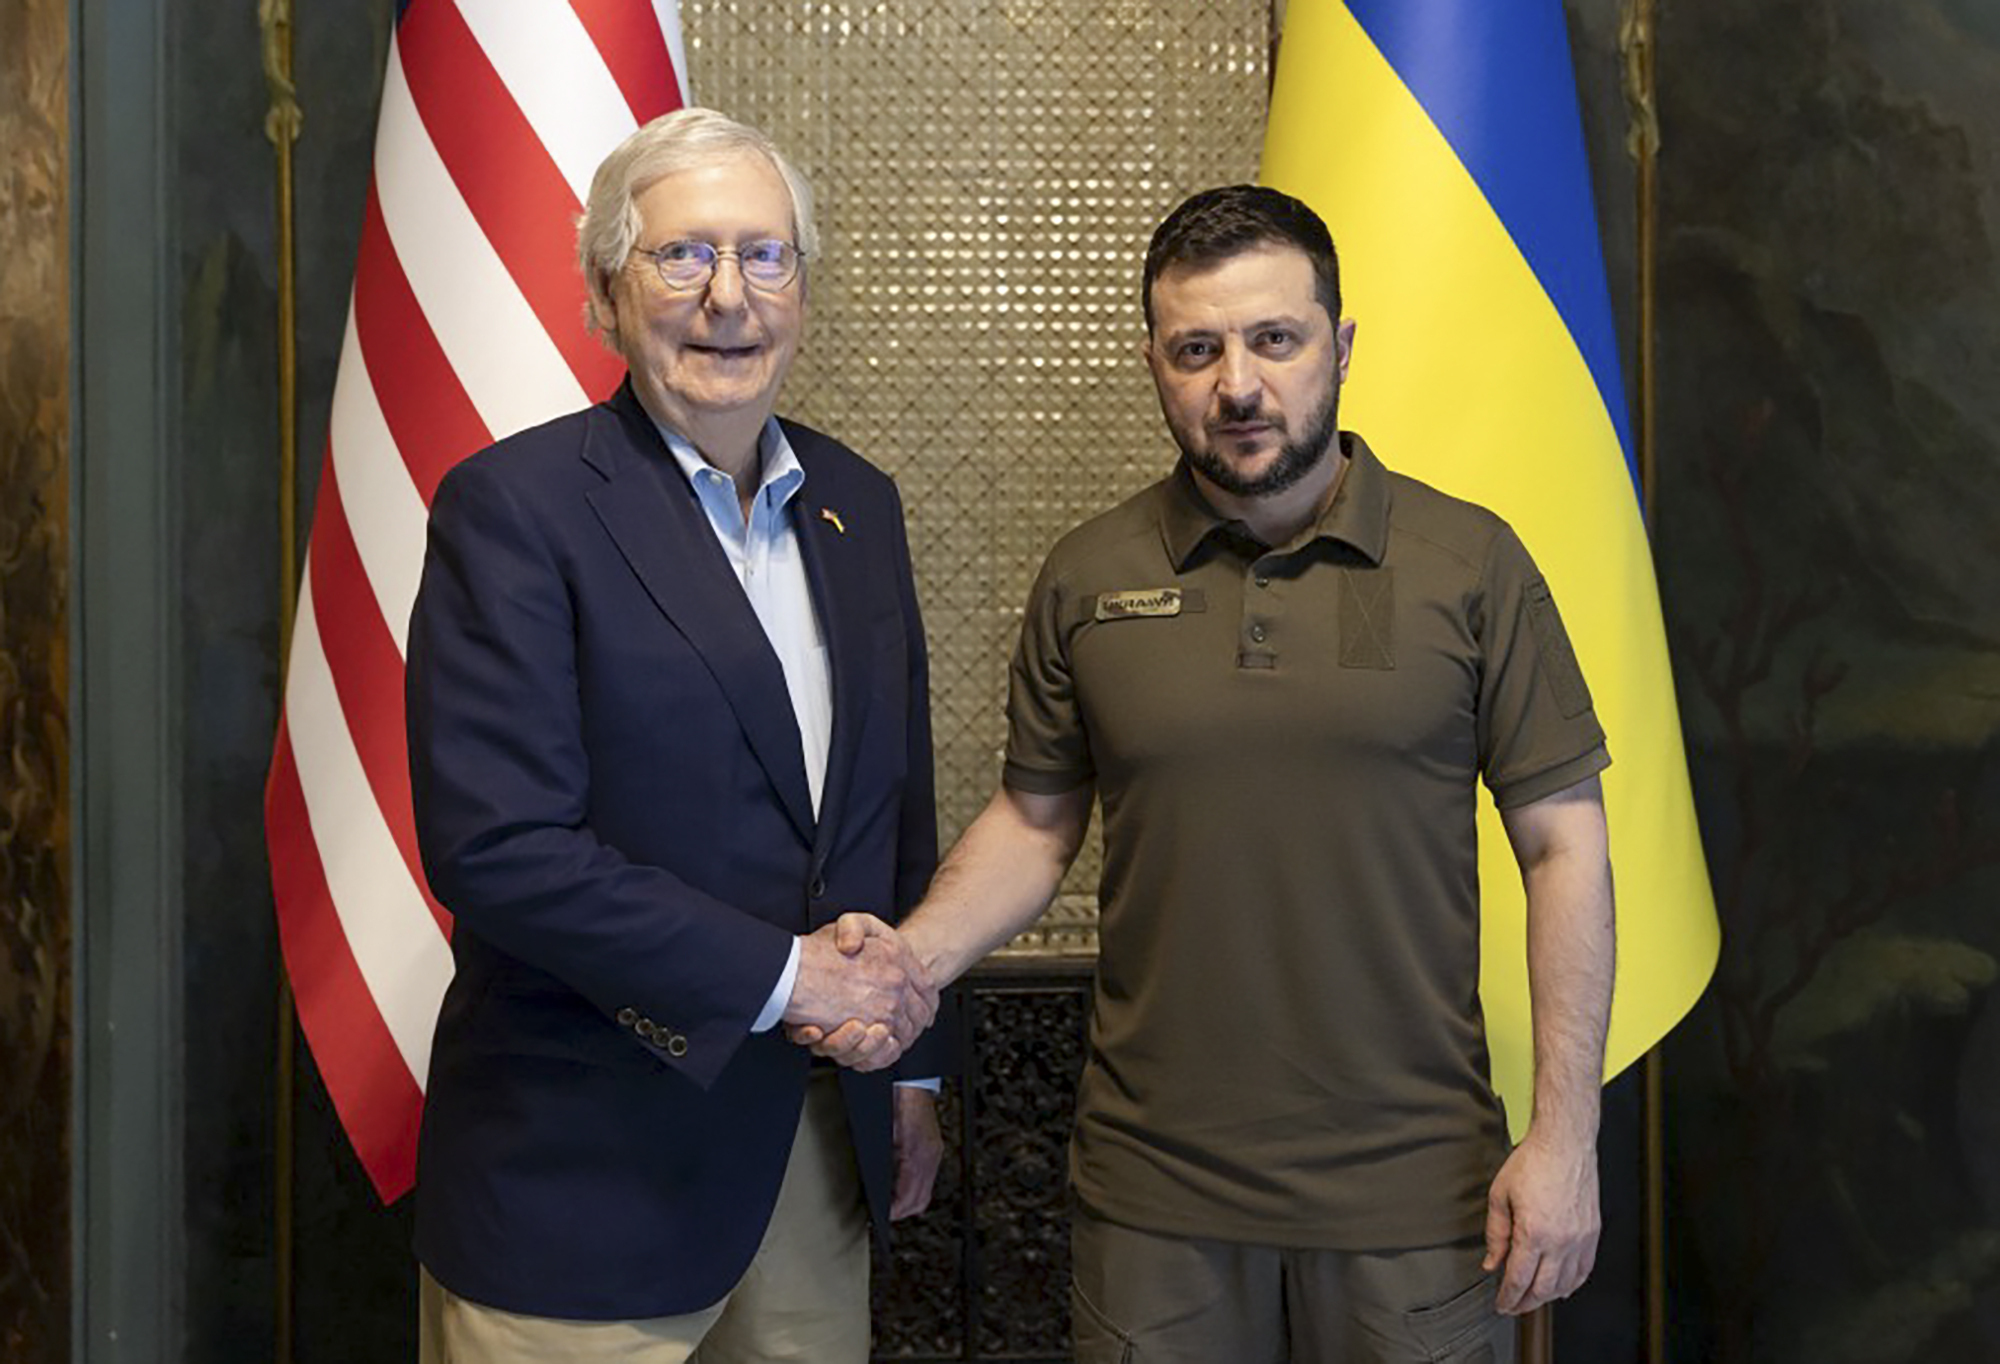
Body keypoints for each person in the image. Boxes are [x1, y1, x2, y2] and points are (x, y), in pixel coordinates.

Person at [801, 184, 1615, 1363]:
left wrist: (1565, 1135)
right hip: (1153, 1204)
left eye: (1273, 339)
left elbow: (1563, 842)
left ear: (1337, 345)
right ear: (1155, 365)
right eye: (1197, 349)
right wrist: (904, 968)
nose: (1238, 383)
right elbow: (1034, 826)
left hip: (1414, 1195)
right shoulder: (1088, 575)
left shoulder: (1469, 563)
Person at [405, 108, 945, 1363]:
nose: (727, 296)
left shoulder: (859, 504)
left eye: (764, 255)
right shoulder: (514, 508)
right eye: (681, 256)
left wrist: (914, 1068)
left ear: (801, 289)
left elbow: (893, 807)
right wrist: (790, 976)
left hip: (816, 1160)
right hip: (582, 1181)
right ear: (608, 289)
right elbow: (501, 848)